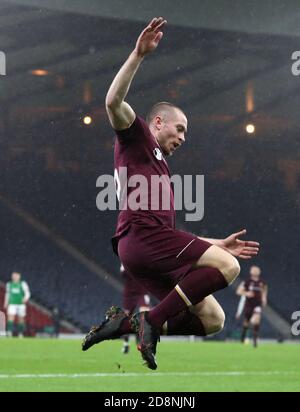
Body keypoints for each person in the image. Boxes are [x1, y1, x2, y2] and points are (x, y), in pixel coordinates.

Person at [82, 17, 260, 369]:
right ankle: (148, 321)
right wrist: (138, 55)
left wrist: (215, 243)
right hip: (142, 239)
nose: (183, 137)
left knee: (213, 320)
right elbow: (112, 102)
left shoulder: (159, 164)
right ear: (158, 123)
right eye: (180, 128)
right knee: (229, 268)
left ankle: (129, 323)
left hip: (145, 248)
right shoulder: (139, 137)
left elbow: (170, 233)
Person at [120, 264, 151, 354]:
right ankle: (126, 344)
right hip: (129, 294)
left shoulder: (145, 260)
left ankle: (142, 343)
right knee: (126, 320)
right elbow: (123, 274)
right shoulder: (125, 260)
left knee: (145, 317)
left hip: (142, 292)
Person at [236, 265, 267, 347]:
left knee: (256, 321)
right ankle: (243, 337)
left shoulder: (262, 283)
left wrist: (264, 299)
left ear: (259, 272)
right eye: (254, 270)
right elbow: (238, 291)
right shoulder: (247, 282)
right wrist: (247, 293)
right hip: (248, 305)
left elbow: (264, 291)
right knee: (246, 323)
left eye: (257, 270)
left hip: (257, 304)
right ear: (251, 272)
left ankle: (255, 340)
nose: (255, 271)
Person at [4, 272, 30, 337]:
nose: (15, 277)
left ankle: (20, 333)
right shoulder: (9, 284)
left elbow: (27, 293)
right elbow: (7, 294)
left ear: (19, 276)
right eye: (13, 276)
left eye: (16, 276)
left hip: (21, 304)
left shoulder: (23, 284)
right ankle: (9, 332)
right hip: (12, 303)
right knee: (10, 317)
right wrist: (6, 302)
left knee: (20, 319)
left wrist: (25, 298)